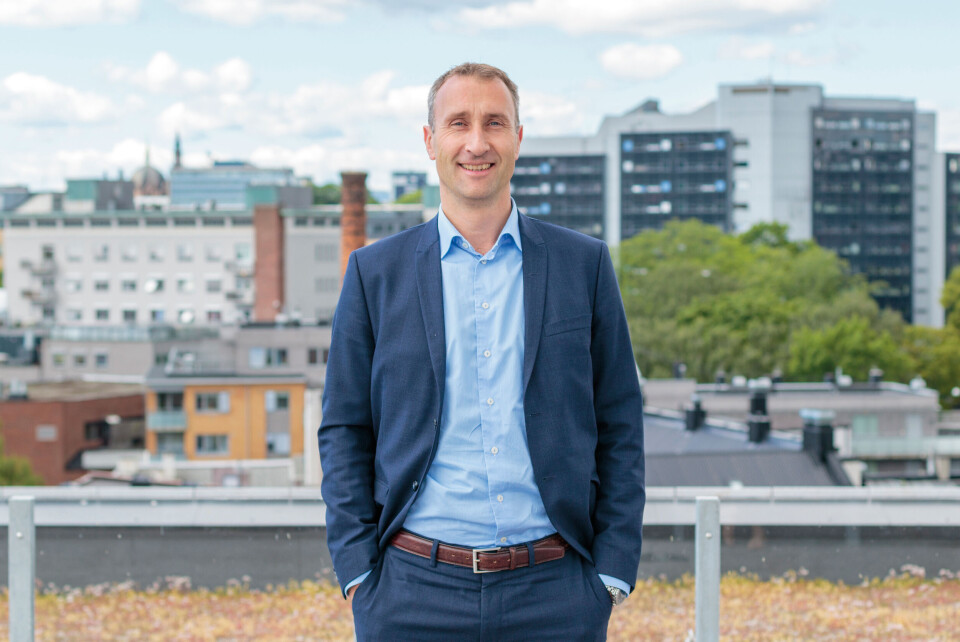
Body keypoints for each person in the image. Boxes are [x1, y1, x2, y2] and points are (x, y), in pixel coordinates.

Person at [318, 62, 645, 641]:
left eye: (495, 123)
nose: (476, 142)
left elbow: (619, 418)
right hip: (410, 594)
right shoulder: (375, 274)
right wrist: (358, 573)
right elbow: (345, 427)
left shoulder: (583, 265)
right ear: (429, 141)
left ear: (518, 138)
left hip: (556, 593)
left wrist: (611, 572)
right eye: (458, 123)